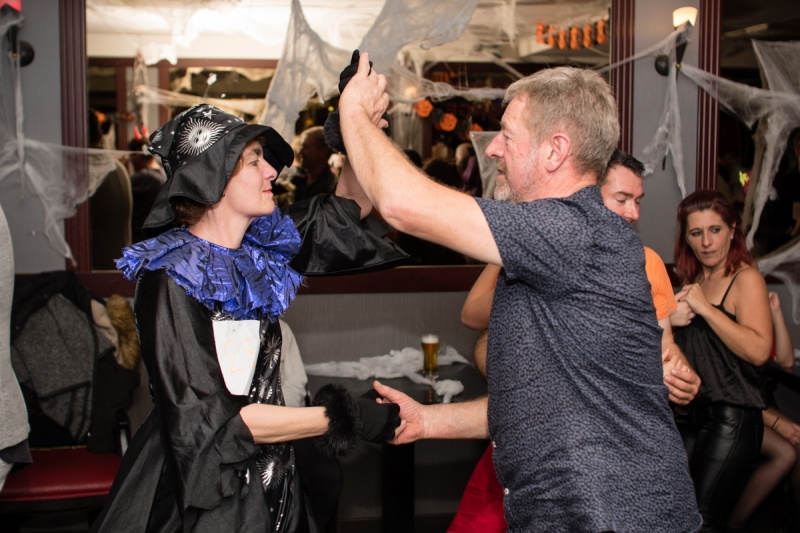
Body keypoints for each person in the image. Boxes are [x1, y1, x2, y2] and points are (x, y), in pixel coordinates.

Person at [339, 53, 700, 532]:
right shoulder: (545, 249)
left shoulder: (574, 231)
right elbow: (535, 401)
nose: (492, 150)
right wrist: (428, 421)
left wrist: (354, 112)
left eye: (507, 136)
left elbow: (402, 204)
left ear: (554, 151)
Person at [89, 104, 407, 533]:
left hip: (274, 471)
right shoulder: (171, 278)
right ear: (212, 177)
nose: (272, 171)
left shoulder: (260, 248)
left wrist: (356, 127)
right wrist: (345, 417)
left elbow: (350, 207)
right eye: (254, 160)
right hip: (210, 485)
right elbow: (216, 423)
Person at [447, 150, 701, 533]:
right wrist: (524, 255)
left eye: (638, 201)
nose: (633, 212)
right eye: (621, 199)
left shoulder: (646, 262)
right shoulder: (546, 246)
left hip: (615, 448)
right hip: (538, 439)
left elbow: (664, 346)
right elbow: (476, 322)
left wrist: (680, 372)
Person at [672, 189, 772, 532]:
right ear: (686, 238)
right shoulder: (694, 281)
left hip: (731, 417)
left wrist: (706, 310)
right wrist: (670, 318)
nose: (706, 242)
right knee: (677, 512)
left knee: (701, 519)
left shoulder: (746, 278)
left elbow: (760, 350)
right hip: (689, 415)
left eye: (715, 230)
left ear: (732, 230)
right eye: (696, 233)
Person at [727, 291, 800, 530]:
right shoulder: (727, 321)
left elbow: (786, 361)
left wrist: (775, 311)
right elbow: (729, 390)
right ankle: (733, 525)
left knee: (798, 437)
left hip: (757, 403)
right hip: (734, 407)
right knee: (786, 452)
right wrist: (775, 422)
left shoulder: (756, 322)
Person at [294, 126, 336, 202]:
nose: (300, 151)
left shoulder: (329, 187)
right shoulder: (299, 177)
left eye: (306, 147)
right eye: (301, 146)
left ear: (323, 152)